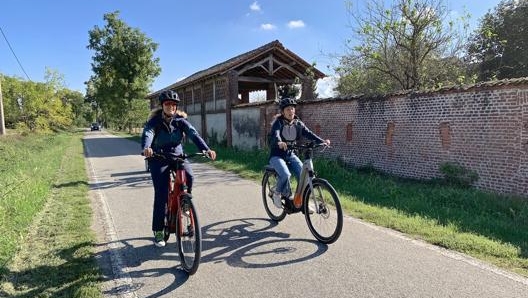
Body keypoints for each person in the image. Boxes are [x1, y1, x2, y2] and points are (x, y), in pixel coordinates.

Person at [141, 90, 217, 247]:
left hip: (177, 156)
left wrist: (206, 149)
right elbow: (148, 133)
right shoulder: (154, 121)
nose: (171, 107)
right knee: (161, 194)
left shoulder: (180, 121)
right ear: (162, 106)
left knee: (189, 177)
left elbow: (193, 134)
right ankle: (159, 231)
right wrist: (147, 147)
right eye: (168, 104)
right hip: (158, 158)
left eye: (174, 105)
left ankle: (184, 203)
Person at [268, 97, 330, 209]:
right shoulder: (278, 123)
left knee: (304, 176)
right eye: (287, 109)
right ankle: (276, 194)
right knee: (286, 174)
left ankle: (301, 201)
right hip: (277, 155)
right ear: (282, 112)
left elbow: (309, 134)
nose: (291, 111)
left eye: (292, 109)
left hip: (290, 154)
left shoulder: (298, 123)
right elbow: (276, 134)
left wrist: (322, 141)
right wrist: (279, 142)